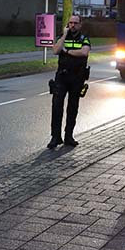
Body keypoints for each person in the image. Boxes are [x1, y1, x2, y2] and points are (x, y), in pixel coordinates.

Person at [48, 14, 91, 149]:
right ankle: (55, 137)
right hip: (62, 76)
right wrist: (64, 36)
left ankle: (68, 136)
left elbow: (84, 53)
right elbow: (55, 50)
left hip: (77, 77)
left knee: (72, 108)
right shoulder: (62, 37)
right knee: (56, 107)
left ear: (80, 25)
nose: (72, 25)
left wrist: (66, 51)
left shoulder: (84, 39)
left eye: (75, 23)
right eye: (70, 23)